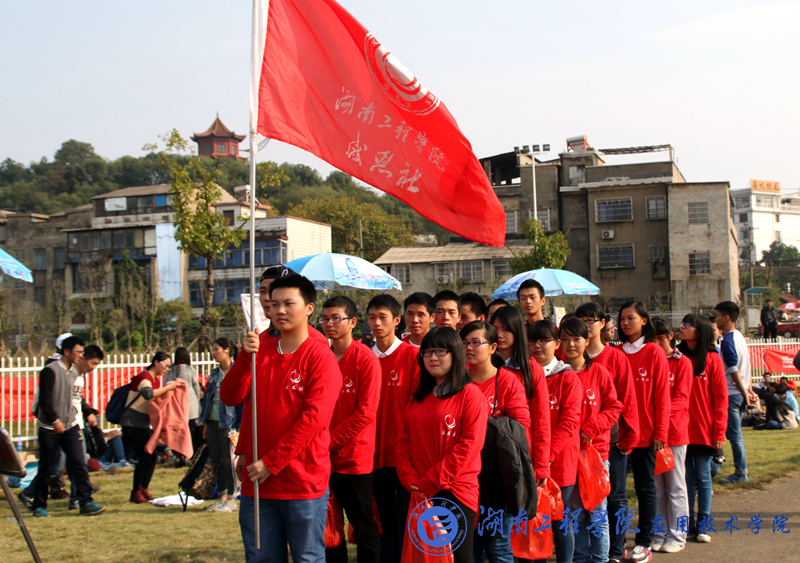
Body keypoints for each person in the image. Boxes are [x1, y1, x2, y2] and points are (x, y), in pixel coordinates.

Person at [221, 274, 342, 563]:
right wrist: (244, 358)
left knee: (307, 558)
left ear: (309, 308)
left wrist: (271, 463)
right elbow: (231, 397)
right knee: (260, 557)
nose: (280, 311)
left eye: (289, 303)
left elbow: (313, 421)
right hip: (258, 482)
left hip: (302, 482)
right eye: (274, 304)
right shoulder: (258, 349)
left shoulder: (319, 356)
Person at [396, 327, 489, 563]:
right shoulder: (418, 397)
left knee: (458, 557)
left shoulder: (470, 395)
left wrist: (430, 481)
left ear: (455, 354)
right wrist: (409, 479)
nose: (432, 357)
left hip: (455, 491)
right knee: (426, 556)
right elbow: (403, 443)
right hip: (420, 491)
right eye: (427, 352)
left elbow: (469, 447)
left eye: (440, 351)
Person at [460, 320, 530, 563]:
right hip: (465, 475)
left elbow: (521, 427)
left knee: (497, 544)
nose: (469, 348)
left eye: (475, 342)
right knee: (469, 544)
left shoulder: (507, 381)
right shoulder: (458, 381)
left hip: (497, 476)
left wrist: (484, 425)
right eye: (465, 343)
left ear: (492, 348)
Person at [574, 302, 639, 563]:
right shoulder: (569, 359)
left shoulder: (615, 357)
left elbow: (626, 399)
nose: (587, 325)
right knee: (583, 503)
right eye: (582, 320)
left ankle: (616, 549)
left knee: (615, 498)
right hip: (580, 444)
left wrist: (628, 436)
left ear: (602, 324)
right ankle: (588, 551)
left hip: (611, 442)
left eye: (591, 320)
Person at [320, 296, 382, 563]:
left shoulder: (365, 359)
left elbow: (365, 413)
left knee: (364, 526)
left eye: (336, 318)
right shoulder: (321, 356)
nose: (329, 324)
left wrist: (328, 442)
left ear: (353, 322)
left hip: (354, 460)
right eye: (325, 319)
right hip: (321, 459)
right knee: (329, 528)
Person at [559, 317, 621, 563]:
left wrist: (592, 427)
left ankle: (600, 558)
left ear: (587, 341)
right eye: (565, 339)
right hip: (567, 455)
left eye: (576, 339)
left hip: (595, 453)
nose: (571, 344)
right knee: (575, 512)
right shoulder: (557, 374)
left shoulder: (599, 372)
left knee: (597, 511)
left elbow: (614, 407)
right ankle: (582, 557)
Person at [23, 336, 106, 517]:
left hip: (71, 425)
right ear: (67, 352)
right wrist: (54, 420)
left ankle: (85, 502)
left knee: (79, 463)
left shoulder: (74, 372)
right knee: (47, 467)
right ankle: (39, 505)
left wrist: (85, 411)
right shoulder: (51, 370)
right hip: (50, 427)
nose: (81, 356)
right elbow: (44, 398)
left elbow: (76, 398)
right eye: (78, 352)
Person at [367, 294, 420, 563]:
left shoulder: (413, 356)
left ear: (397, 320)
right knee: (386, 520)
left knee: (408, 518)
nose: (376, 323)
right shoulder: (364, 356)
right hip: (371, 454)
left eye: (382, 317)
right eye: (372, 317)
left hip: (403, 455)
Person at [618, 301, 670, 563]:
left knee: (645, 488)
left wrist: (661, 432)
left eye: (631, 318)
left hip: (646, 432)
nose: (626, 323)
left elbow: (662, 395)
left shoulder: (654, 352)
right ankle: (617, 543)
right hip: (618, 434)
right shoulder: (616, 352)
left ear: (644, 321)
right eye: (622, 319)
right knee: (616, 492)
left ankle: (644, 542)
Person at [528, 320, 581, 563]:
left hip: (558, 461)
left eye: (544, 340)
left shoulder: (567, 378)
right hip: (531, 460)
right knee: (537, 519)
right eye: (533, 340)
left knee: (560, 520)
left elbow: (569, 422)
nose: (538, 345)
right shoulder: (524, 375)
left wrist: (546, 457)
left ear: (557, 344)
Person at [677, 314, 728, 544]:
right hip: (681, 430)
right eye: (682, 324)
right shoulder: (677, 357)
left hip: (704, 429)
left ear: (699, 331)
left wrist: (719, 432)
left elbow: (721, 398)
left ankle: (704, 524)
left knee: (704, 477)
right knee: (685, 478)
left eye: (688, 325)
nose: (682, 327)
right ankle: (687, 523)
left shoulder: (712, 359)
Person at [491, 306, 551, 486]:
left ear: (517, 330)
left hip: (519, 452)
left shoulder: (532, 370)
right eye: (495, 329)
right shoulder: (479, 366)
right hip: (486, 452)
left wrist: (541, 465)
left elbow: (541, 420)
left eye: (506, 329)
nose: (499, 335)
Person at [651, 317, 692, 554]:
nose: (657, 343)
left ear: (670, 337)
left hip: (674, 434)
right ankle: (660, 532)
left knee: (676, 487)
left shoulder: (682, 363)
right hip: (653, 434)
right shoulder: (650, 361)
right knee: (656, 488)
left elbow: (682, 398)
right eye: (653, 338)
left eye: (661, 338)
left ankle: (678, 535)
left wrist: (660, 416)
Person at [121, 351, 181, 504]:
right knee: (145, 455)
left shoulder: (153, 380)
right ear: (156, 362)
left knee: (152, 456)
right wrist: (168, 388)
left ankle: (143, 489)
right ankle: (136, 492)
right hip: (131, 423)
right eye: (165, 365)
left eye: (168, 366)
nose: (166, 369)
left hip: (141, 424)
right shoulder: (145, 377)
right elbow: (147, 394)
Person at [199, 337, 243, 513]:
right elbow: (208, 401)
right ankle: (222, 497)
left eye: (216, 349)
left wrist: (240, 426)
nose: (213, 352)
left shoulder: (236, 372)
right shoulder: (214, 374)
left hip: (229, 424)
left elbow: (240, 401)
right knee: (218, 461)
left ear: (226, 350)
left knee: (229, 461)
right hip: (213, 422)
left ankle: (232, 498)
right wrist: (204, 423)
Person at [714, 301, 755, 485]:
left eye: (718, 316)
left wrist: (743, 391)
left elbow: (733, 369)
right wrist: (748, 389)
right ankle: (740, 471)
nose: (716, 320)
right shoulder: (740, 337)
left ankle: (741, 472)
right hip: (740, 391)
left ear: (726, 317)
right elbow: (747, 366)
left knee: (734, 435)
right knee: (735, 434)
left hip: (732, 393)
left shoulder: (728, 340)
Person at [259, 265, 329, 345]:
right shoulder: (256, 342)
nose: (267, 298)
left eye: (288, 303)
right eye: (262, 291)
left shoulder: (316, 342)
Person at [165, 347, 203, 455]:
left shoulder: (170, 370)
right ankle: (189, 453)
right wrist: (198, 400)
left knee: (177, 431)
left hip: (175, 405)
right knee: (190, 430)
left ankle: (178, 453)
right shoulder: (189, 369)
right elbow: (196, 386)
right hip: (190, 405)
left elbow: (165, 384)